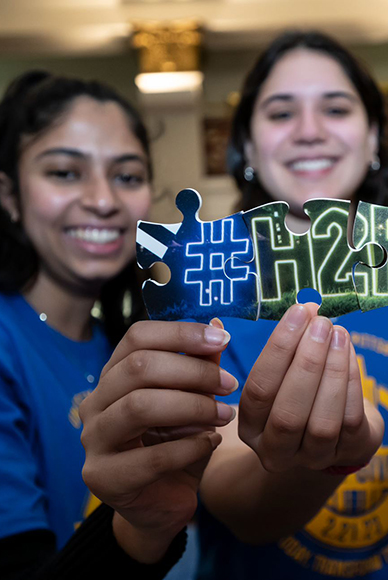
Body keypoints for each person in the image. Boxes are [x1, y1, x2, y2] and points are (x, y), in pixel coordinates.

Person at [195, 31, 388, 579]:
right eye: (282, 113)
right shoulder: (208, 290)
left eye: (335, 108)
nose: (310, 132)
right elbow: (232, 503)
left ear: (374, 136)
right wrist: (328, 459)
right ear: (250, 149)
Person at [0, 71, 236, 579]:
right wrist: (140, 530)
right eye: (65, 172)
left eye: (127, 176)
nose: (104, 199)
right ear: (9, 196)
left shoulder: (126, 344)